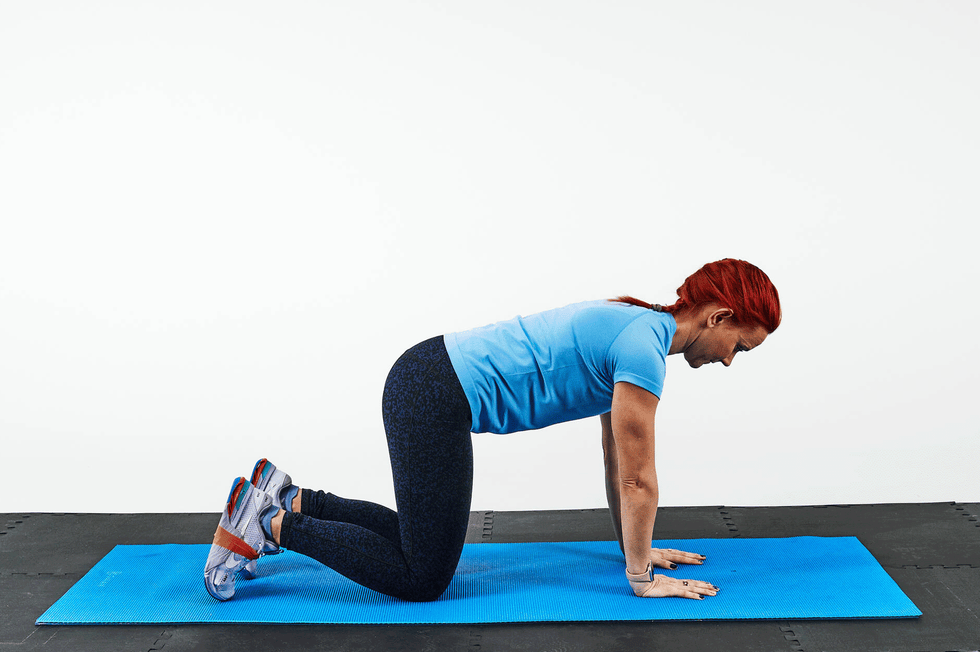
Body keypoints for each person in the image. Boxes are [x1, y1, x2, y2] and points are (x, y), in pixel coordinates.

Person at [203, 258, 781, 603]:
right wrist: (640, 577)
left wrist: (638, 551)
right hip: (436, 393)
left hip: (427, 378)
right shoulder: (642, 348)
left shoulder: (636, 330)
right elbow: (638, 481)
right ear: (719, 317)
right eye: (740, 346)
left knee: (418, 539)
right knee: (423, 575)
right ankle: (268, 523)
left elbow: (616, 461)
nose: (731, 360)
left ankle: (287, 496)